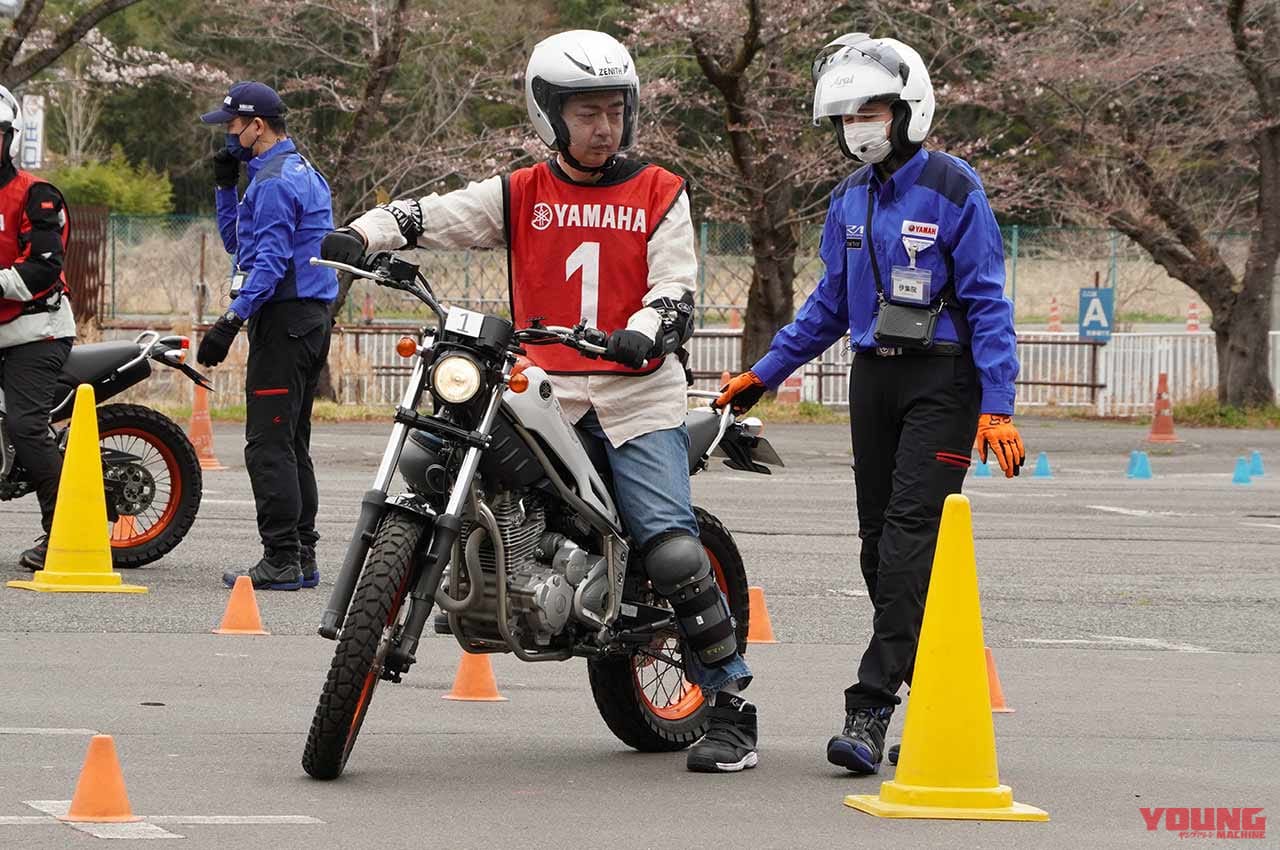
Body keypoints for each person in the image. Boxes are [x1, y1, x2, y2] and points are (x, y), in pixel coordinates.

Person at [322, 30, 758, 773]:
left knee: (670, 543)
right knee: (452, 444)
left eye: (615, 111)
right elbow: (433, 215)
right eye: (586, 113)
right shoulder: (521, 191)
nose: (604, 127)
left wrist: (641, 333)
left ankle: (731, 708)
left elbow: (675, 288)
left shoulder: (660, 190)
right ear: (548, 115)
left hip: (637, 392)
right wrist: (360, 233)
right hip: (543, 391)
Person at [716, 34, 1024, 775]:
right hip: (873, 375)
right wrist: (762, 373)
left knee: (911, 534)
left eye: (873, 108)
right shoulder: (847, 198)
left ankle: (871, 703)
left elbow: (987, 301)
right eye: (848, 112)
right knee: (875, 542)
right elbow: (828, 303)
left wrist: (999, 404)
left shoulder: (955, 187)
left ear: (908, 108)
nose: (859, 123)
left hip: (945, 381)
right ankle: (927, 668)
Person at [197, 81, 338, 591]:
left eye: (233, 125)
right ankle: (301, 555)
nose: (228, 134)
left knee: (267, 444)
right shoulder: (295, 172)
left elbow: (269, 264)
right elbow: (242, 242)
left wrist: (229, 322)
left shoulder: (277, 182)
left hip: (285, 320)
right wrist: (224, 187)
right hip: (309, 319)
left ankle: (281, 558)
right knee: (292, 443)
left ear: (258, 125)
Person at [0, 86, 73, 571]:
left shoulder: (36, 195)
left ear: (8, 136)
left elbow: (45, 265)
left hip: (36, 330)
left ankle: (63, 534)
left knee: (27, 426)